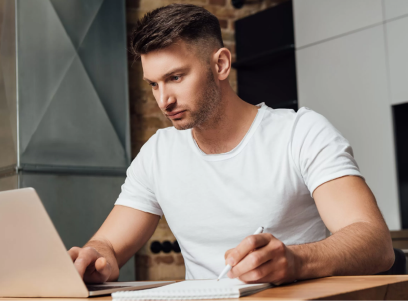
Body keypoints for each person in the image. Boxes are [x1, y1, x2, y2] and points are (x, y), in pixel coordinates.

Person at [68, 4, 394, 285]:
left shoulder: (300, 133)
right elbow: (108, 243)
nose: (163, 100)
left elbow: (376, 243)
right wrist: (97, 258)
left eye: (176, 77)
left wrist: (296, 262)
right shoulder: (157, 153)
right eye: (154, 84)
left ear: (220, 65)